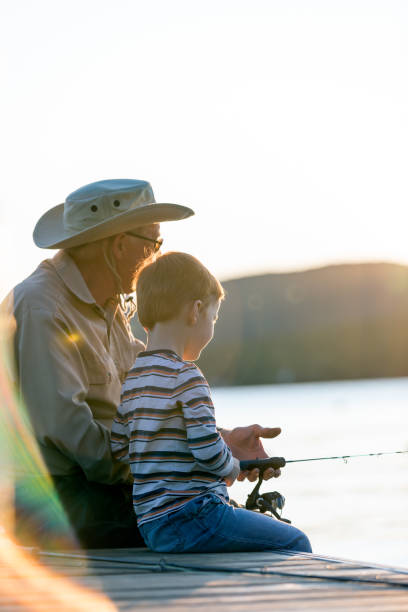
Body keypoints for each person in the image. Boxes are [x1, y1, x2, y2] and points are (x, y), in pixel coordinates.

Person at [5, 178, 282, 549]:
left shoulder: (111, 305)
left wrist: (223, 441)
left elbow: (153, 399)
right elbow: (74, 438)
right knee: (239, 527)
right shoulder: (42, 307)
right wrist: (185, 465)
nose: (157, 255)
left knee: (219, 514)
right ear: (120, 245)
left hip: (105, 491)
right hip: (60, 504)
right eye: (154, 243)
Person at [111, 252, 311, 553]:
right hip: (195, 517)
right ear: (196, 311)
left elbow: (119, 448)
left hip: (151, 526)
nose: (213, 327)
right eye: (213, 317)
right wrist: (232, 468)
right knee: (295, 540)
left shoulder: (133, 380)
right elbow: (207, 450)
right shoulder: (186, 376)